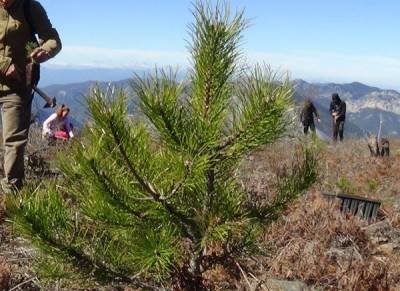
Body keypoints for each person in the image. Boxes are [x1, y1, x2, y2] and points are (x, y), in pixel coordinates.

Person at [0, 0, 61, 192]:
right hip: (8, 75)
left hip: (17, 86)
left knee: (15, 141)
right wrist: (3, 65)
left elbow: (53, 39)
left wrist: (46, 51)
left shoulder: (30, 7)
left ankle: (12, 191)